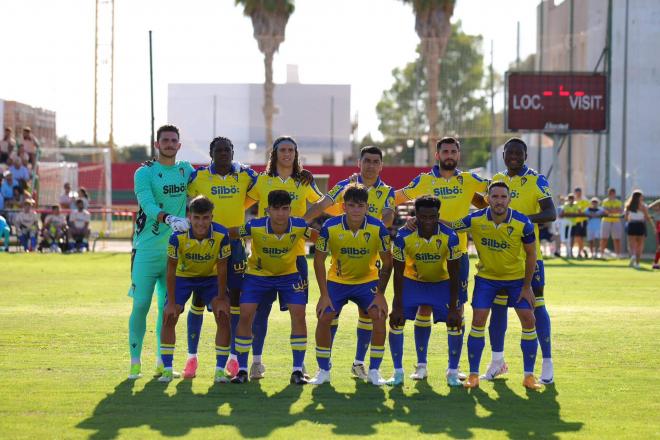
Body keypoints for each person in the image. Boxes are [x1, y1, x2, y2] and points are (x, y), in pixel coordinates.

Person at [395, 136, 488, 380]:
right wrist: (363, 191)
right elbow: (396, 197)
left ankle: (453, 369)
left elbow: (499, 192)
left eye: (453, 151)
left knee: (456, 309)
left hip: (457, 255)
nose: (449, 155)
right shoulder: (424, 180)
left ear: (458, 155)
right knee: (423, 309)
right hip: (425, 254)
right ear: (437, 155)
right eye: (444, 151)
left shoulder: (469, 180)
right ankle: (421, 366)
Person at [304, 145, 395, 380]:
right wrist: (299, 222)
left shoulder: (387, 192)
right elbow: (323, 204)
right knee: (326, 314)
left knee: (374, 315)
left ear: (381, 165)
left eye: (376, 161)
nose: (371, 165)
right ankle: (324, 369)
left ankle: (366, 367)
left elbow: (388, 217)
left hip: (368, 276)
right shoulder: (343, 190)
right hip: (338, 278)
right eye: (367, 160)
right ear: (359, 162)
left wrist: (370, 225)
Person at [243, 136, 321, 380]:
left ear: (296, 154)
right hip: (263, 259)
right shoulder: (262, 180)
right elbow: (241, 203)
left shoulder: (304, 181)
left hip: (295, 257)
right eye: (282, 150)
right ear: (274, 154)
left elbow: (322, 202)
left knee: (298, 313)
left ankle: (299, 365)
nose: (287, 154)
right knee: (259, 313)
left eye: (291, 150)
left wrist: (302, 222)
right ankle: (256, 362)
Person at [452, 181, 541, 390]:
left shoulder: (522, 222)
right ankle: (473, 375)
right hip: (487, 278)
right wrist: (421, 220)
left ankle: (529, 376)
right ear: (488, 199)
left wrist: (527, 286)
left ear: (509, 199)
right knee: (478, 321)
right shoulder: (476, 218)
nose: (499, 201)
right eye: (495, 197)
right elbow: (451, 225)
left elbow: (531, 255)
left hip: (517, 280)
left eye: (503, 197)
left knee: (529, 320)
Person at [185, 136, 258, 379]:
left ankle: (234, 360)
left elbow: (263, 186)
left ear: (233, 152)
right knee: (198, 299)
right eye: (219, 150)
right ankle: (192, 357)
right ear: (211, 153)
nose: (224, 153)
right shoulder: (199, 177)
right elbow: (181, 195)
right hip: (205, 244)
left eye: (228, 150)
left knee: (234, 300)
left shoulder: (244, 176)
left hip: (235, 245)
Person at [229, 190, 318, 385]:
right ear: (268, 210)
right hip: (257, 276)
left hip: (288, 276)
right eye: (276, 209)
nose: (280, 214)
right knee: (246, 313)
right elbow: (232, 233)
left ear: (290, 210)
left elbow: (320, 239)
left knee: (299, 314)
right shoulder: (254, 226)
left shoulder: (300, 226)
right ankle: (242, 370)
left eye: (285, 209)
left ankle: (297, 370)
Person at [128, 124, 195, 380]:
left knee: (168, 310)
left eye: (173, 140)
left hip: (174, 253)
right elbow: (146, 202)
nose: (169, 143)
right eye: (164, 140)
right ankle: (135, 362)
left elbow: (209, 185)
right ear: (157, 145)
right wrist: (167, 218)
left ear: (179, 145)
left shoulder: (185, 170)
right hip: (145, 251)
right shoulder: (144, 172)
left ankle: (161, 362)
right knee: (141, 305)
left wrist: (238, 170)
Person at [488, 138, 557, 385]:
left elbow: (551, 213)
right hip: (498, 259)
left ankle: (547, 362)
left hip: (529, 258)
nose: (514, 156)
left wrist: (519, 219)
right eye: (510, 152)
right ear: (504, 154)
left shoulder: (537, 180)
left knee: (536, 307)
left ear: (526, 155)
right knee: (497, 308)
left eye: (519, 152)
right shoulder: (497, 179)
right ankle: (497, 361)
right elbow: (485, 205)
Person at [386, 196, 463, 387]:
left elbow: (455, 274)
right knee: (396, 321)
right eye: (423, 217)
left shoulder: (451, 237)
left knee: (455, 323)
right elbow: (398, 273)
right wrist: (397, 305)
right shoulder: (403, 237)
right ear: (415, 216)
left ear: (438, 215)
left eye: (432, 217)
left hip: (441, 283)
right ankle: (400, 372)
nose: (428, 221)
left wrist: (454, 307)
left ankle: (452, 372)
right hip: (413, 283)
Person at [159, 196, 231, 383]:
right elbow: (171, 269)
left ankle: (220, 370)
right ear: (189, 217)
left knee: (223, 314)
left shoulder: (222, 235)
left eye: (205, 218)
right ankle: (167, 368)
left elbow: (222, 268)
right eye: (196, 218)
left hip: (210, 279)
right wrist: (172, 303)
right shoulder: (177, 237)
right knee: (169, 315)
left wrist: (222, 297)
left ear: (211, 217)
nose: (201, 223)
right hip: (184, 278)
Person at [624, 190, 653, 269]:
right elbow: (647, 217)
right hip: (640, 225)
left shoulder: (628, 206)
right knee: (640, 245)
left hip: (631, 224)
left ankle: (633, 256)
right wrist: (650, 221)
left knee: (631, 244)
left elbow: (626, 218)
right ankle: (637, 262)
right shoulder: (643, 206)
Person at [600, 188, 624, 257]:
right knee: (604, 238)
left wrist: (611, 210)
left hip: (616, 220)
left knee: (617, 239)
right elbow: (605, 210)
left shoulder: (618, 202)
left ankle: (618, 255)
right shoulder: (605, 201)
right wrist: (614, 210)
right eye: (610, 193)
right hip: (606, 220)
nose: (612, 194)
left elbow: (619, 210)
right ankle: (602, 254)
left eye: (613, 193)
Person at [571, 188, 590, 258]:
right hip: (574, 221)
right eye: (577, 192)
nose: (578, 194)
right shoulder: (574, 200)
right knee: (577, 237)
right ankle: (582, 250)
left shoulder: (584, 200)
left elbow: (586, 210)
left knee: (580, 237)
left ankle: (580, 251)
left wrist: (580, 211)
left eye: (579, 192)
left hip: (582, 221)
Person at [560, 194, 579, 258]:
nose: (571, 200)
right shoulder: (565, 205)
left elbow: (578, 213)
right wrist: (571, 214)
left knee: (572, 238)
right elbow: (562, 214)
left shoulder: (576, 205)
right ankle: (567, 251)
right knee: (566, 238)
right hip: (567, 225)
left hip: (573, 224)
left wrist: (569, 214)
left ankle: (570, 251)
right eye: (570, 198)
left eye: (572, 198)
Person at [648, 199, 660, 269]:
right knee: (659, 248)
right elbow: (650, 207)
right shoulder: (657, 214)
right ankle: (655, 263)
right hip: (659, 231)